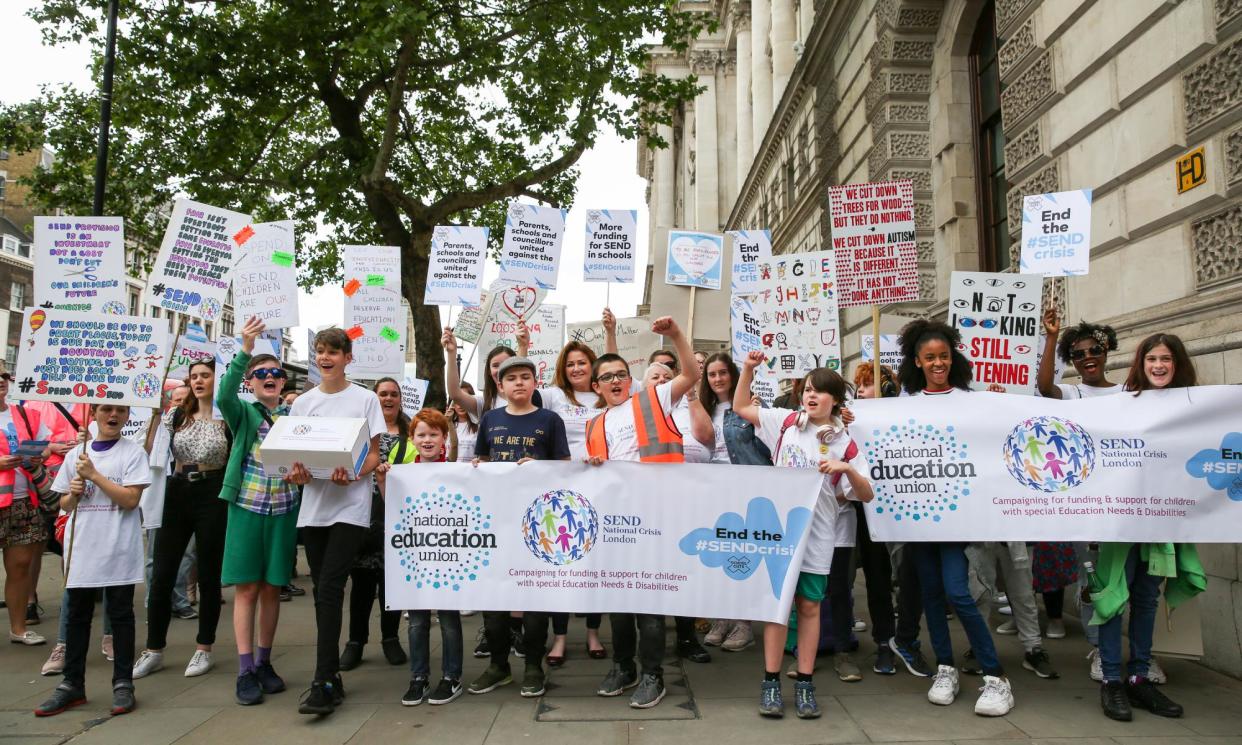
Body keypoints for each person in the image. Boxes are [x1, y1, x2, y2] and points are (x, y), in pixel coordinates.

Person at [732, 351, 873, 719]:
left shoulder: (845, 440)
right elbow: (741, 406)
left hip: (819, 536)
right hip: (780, 535)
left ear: (836, 401)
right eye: (808, 390)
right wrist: (748, 368)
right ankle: (771, 682)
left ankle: (806, 683)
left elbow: (867, 492)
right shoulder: (785, 422)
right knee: (778, 609)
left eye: (820, 392)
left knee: (810, 607)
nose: (811, 396)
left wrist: (846, 468)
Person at [894, 319, 1014, 716]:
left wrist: (999, 407)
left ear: (953, 357)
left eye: (944, 356)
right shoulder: (905, 405)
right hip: (920, 517)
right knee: (931, 596)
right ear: (917, 361)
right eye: (930, 357)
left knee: (959, 593)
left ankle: (996, 677)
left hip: (959, 517)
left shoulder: (971, 400)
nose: (938, 363)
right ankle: (945, 668)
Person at [585, 317, 698, 710]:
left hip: (654, 519)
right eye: (606, 377)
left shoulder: (654, 399)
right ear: (596, 386)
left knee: (649, 604)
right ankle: (623, 667)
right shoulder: (594, 422)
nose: (614, 380)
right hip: (614, 525)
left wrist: (676, 334)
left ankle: (653, 674)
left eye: (620, 374)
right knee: (618, 603)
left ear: (629, 378)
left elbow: (691, 373)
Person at [1094, 333, 1205, 722]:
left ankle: (1139, 679)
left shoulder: (1194, 407)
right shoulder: (1121, 406)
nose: (1158, 366)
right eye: (1151, 359)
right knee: (1112, 597)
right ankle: (1111, 680)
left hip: (1162, 523)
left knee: (1146, 599)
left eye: (1166, 359)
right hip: (1122, 522)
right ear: (1140, 364)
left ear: (1178, 364)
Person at [285, 328, 386, 716]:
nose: (325, 358)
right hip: (314, 508)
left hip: (350, 509)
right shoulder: (304, 403)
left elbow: (375, 453)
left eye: (333, 352)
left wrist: (357, 472)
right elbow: (294, 459)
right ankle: (330, 675)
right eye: (320, 351)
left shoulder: (365, 398)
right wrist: (298, 475)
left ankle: (323, 680)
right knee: (323, 593)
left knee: (328, 586)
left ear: (348, 356)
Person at [34, 403, 151, 717]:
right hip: (82, 549)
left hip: (118, 549)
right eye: (105, 410)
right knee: (76, 616)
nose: (113, 416)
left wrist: (95, 476)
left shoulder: (133, 453)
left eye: (120, 411)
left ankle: (123, 683)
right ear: (93, 415)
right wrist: (73, 492)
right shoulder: (76, 455)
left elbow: (130, 499)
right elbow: (64, 504)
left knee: (121, 616)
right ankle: (72, 684)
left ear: (127, 416)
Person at [468, 356, 569, 699]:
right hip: (496, 521)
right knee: (494, 599)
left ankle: (532, 667)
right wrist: (477, 467)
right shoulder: (490, 420)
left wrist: (540, 467)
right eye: (511, 378)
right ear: (501, 386)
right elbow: (480, 460)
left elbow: (565, 467)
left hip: (538, 524)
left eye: (526, 377)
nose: (519, 383)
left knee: (534, 599)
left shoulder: (550, 420)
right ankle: (498, 666)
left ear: (535, 382)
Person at [217, 317, 300, 706]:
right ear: (250, 381)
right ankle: (245, 668)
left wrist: (304, 476)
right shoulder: (245, 413)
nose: (270, 377)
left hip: (283, 511)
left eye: (276, 373)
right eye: (261, 374)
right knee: (246, 589)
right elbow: (224, 399)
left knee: (271, 588)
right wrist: (245, 350)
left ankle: (265, 662)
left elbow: (308, 467)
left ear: (284, 382)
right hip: (248, 507)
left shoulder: (296, 421)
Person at [515, 320, 607, 664]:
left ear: (592, 365)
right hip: (560, 487)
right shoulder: (552, 395)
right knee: (561, 562)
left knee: (595, 562)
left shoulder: (605, 395)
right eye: (570, 364)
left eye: (582, 362)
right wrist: (522, 346)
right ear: (562, 369)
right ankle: (560, 638)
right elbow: (521, 391)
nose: (576, 368)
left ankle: (595, 634)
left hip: (599, 481)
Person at [133, 360, 230, 681]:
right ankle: (154, 648)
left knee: (208, 575)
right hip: (176, 493)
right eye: (194, 377)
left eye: (205, 375)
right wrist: (154, 416)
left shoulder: (227, 417)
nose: (199, 381)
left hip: (213, 493)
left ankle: (204, 648)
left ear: (218, 378)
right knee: (161, 573)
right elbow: (151, 452)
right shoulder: (177, 416)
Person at [846, 364, 928, 678]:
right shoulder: (850, 421)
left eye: (871, 386)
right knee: (878, 580)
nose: (864, 392)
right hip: (868, 513)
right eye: (861, 387)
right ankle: (884, 641)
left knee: (909, 578)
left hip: (904, 510)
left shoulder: (904, 416)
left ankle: (906, 637)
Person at [385, 408, 465, 706]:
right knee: (417, 621)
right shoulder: (401, 473)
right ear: (412, 438)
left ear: (444, 438)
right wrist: (383, 481)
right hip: (415, 556)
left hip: (448, 557)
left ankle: (451, 677)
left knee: (447, 618)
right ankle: (418, 678)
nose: (427, 440)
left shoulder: (456, 472)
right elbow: (389, 505)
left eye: (434, 434)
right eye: (421, 435)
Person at [339, 378, 408, 673]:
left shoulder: (411, 434)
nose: (388, 399)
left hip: (398, 519)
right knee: (362, 583)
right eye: (383, 394)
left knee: (392, 583)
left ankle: (390, 638)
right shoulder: (360, 431)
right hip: (363, 515)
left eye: (394, 394)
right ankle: (355, 642)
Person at [690, 353, 757, 655]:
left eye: (722, 373)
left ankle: (743, 622)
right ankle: (722, 618)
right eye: (712, 374)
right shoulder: (705, 409)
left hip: (744, 487)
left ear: (732, 374)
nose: (717, 379)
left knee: (742, 555)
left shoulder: (750, 406)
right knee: (718, 556)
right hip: (713, 490)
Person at [18, 401, 87, 628]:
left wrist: (86, 439)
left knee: (72, 537)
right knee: (36, 542)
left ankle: (72, 594)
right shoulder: (32, 404)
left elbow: (101, 432)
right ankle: (29, 600)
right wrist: (54, 447)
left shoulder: (85, 400)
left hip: (76, 474)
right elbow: (29, 442)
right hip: (43, 479)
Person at [0, 363, 53, 646]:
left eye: (4, 375)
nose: (0, 381)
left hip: (23, 500)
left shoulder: (25, 414)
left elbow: (45, 445)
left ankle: (18, 629)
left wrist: (38, 455)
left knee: (20, 565)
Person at [447, 382, 478, 464]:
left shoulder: (480, 425)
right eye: (457, 400)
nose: (460, 405)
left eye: (463, 400)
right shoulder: (445, 426)